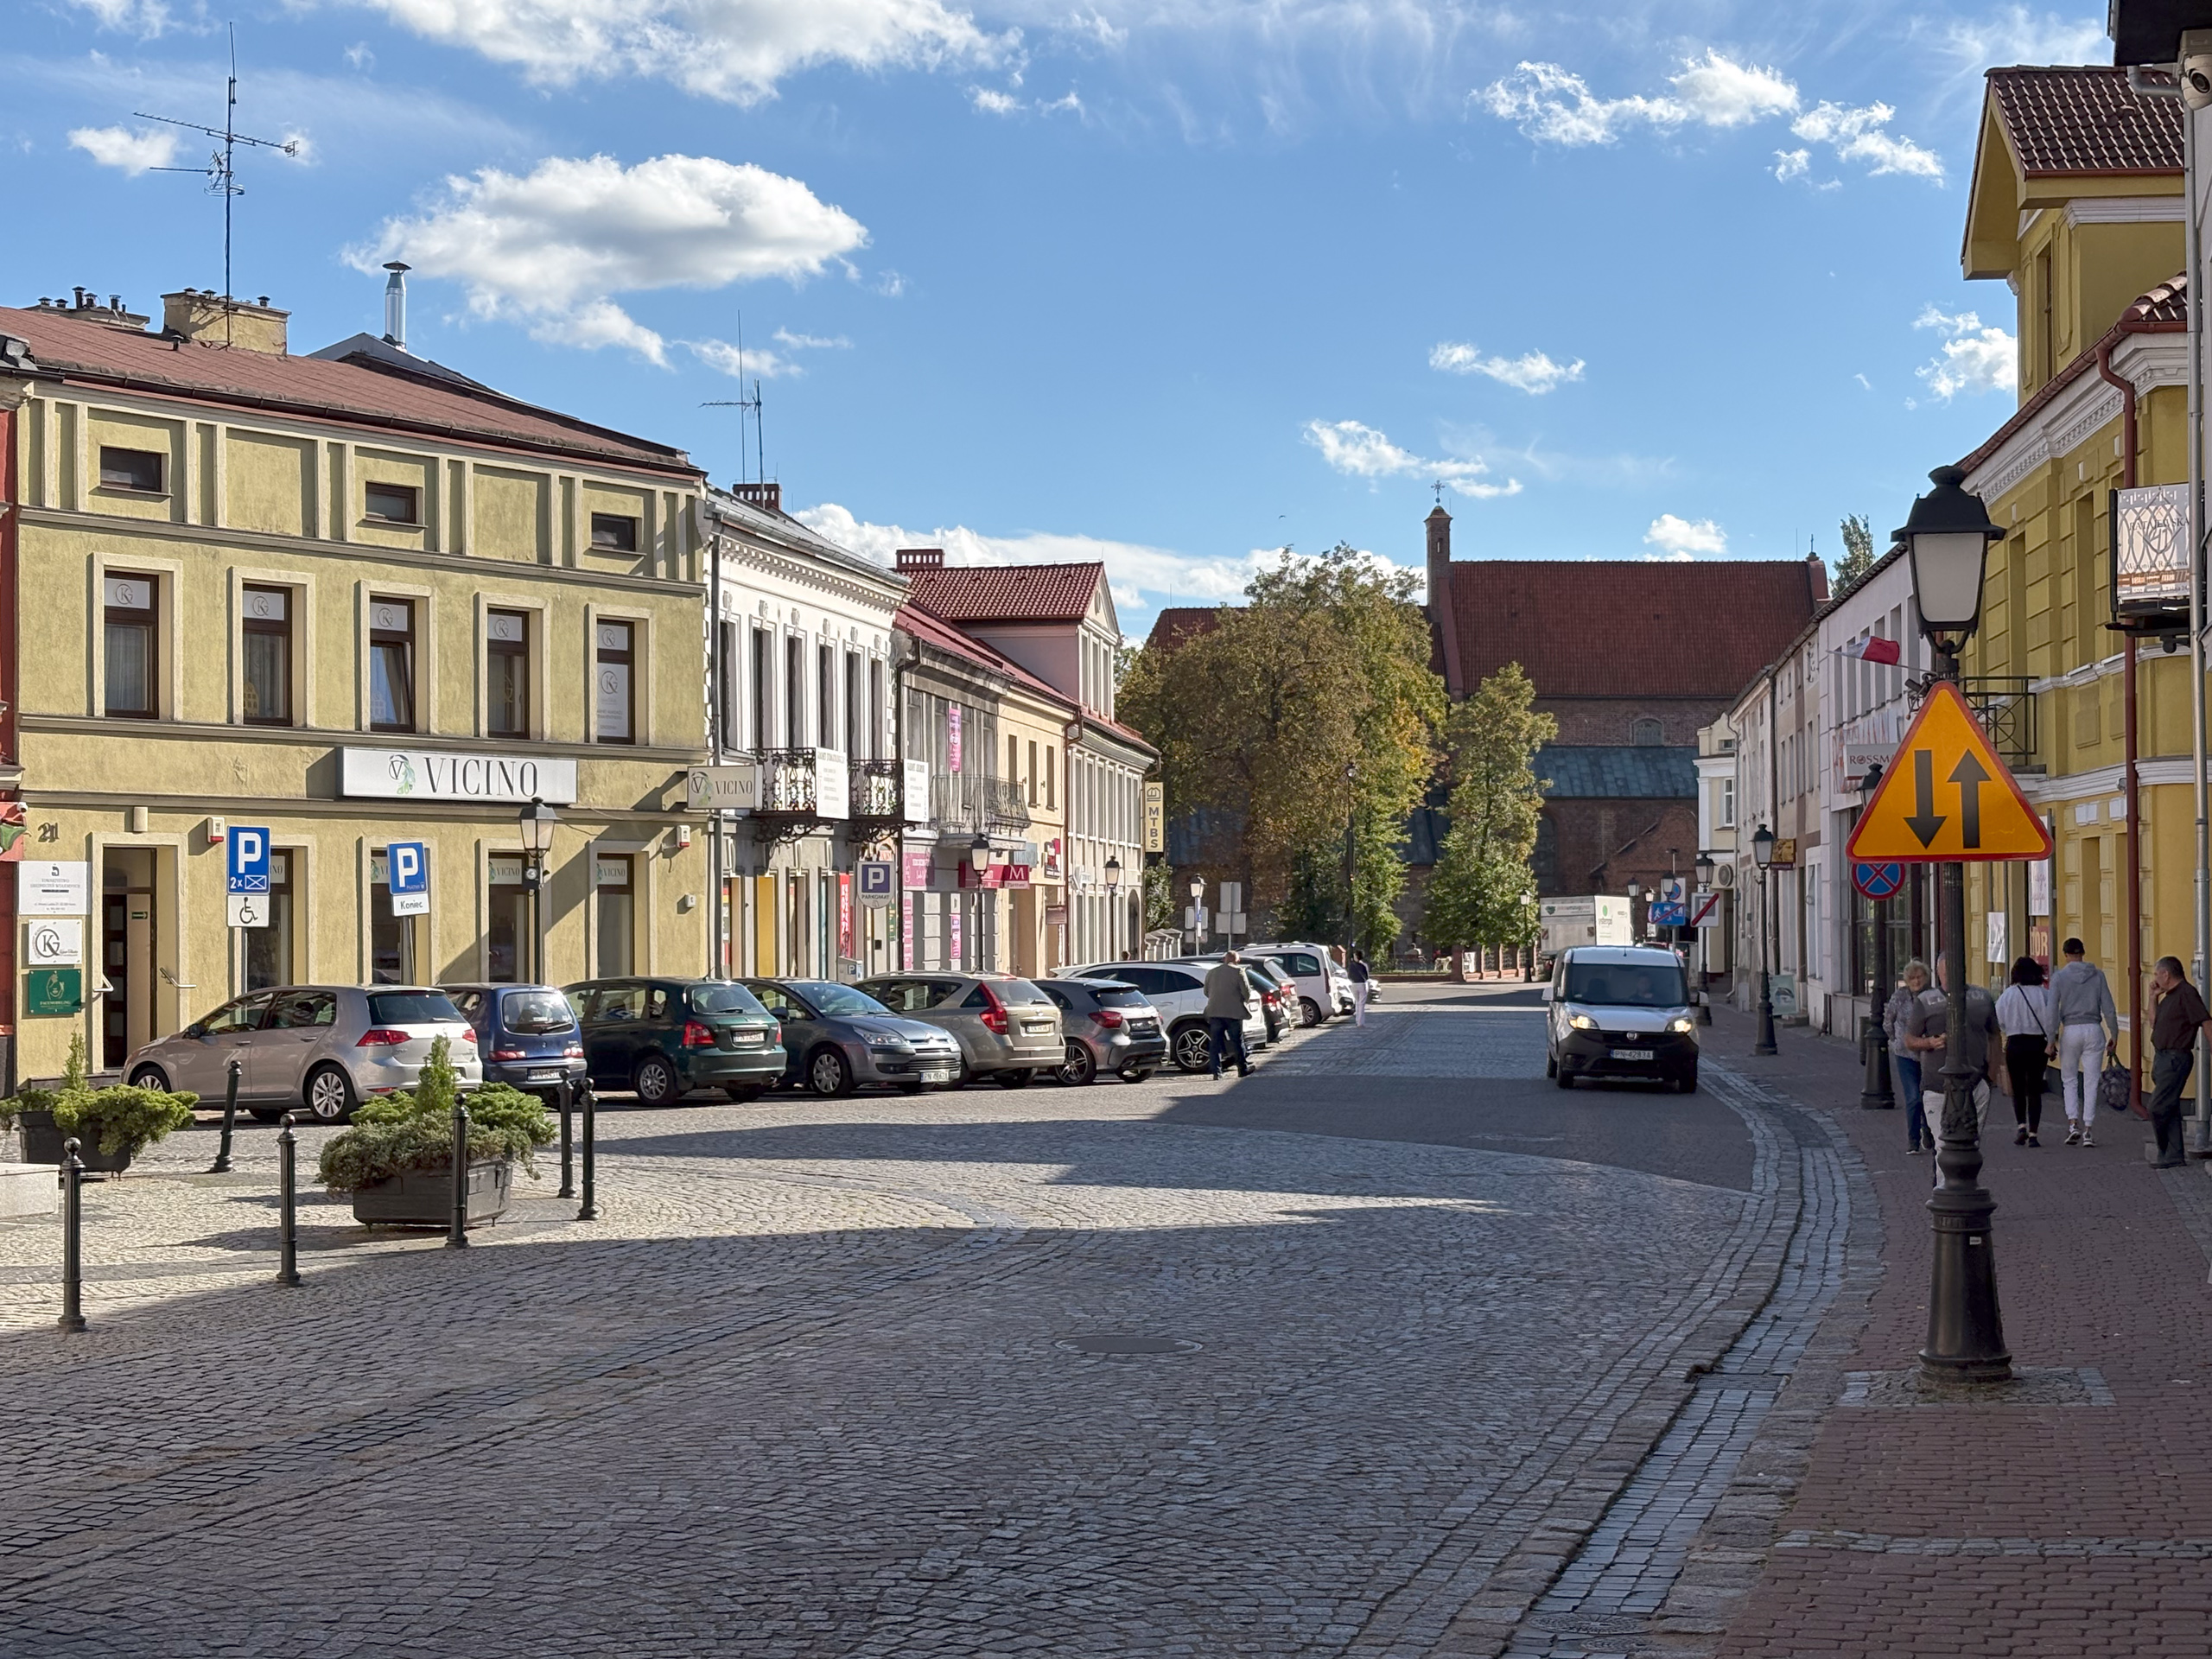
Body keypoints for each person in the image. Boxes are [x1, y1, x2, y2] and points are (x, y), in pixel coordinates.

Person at [1903, 954, 2005, 1186]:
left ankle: (1966, 1187)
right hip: (1936, 1086)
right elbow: (1909, 1039)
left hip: (1975, 1084)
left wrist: (1991, 1074)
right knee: (1944, 1146)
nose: (1951, 976)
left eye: (1955, 970)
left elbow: (1994, 1035)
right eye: (1946, 972)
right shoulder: (1926, 1002)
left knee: (1971, 1144)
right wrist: (1929, 1043)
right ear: (1938, 974)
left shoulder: (1981, 998)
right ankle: (1945, 1193)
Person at [2049, 937, 2120, 1147]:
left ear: (2065, 955)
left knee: (2069, 1079)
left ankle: (2073, 1124)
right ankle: (2088, 1129)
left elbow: (2052, 1010)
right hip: (2094, 1029)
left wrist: (2051, 1038)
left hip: (2070, 1030)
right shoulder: (2098, 975)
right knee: (2091, 1081)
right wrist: (2114, 1034)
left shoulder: (2059, 977)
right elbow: (2109, 1008)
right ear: (2083, 953)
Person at [2146, 955, 2212, 1167]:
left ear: (2166, 974)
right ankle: (2174, 1155)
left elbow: (2205, 1021)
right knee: (2170, 1106)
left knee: (2156, 1107)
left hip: (2176, 1057)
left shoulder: (2186, 993)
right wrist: (2152, 997)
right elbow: (2153, 1022)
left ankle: (2165, 1150)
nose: (2155, 979)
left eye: (2157, 974)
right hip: (2162, 1056)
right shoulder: (2169, 996)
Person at [1994, 956, 2056, 1147]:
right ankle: (2034, 1134)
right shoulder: (2044, 994)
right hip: (2038, 1044)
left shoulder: (2008, 994)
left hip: (2015, 1043)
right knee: (2035, 1089)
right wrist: (2051, 1042)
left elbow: (1999, 1019)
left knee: (2018, 1088)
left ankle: (2021, 1126)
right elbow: (2052, 1020)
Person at [1885, 960, 1931, 1154]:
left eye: (1919, 977)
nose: (1916, 981)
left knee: (1927, 1095)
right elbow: (1888, 1022)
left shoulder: (1931, 996)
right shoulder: (1900, 996)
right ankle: (1913, 1139)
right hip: (1905, 1054)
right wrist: (1896, 1041)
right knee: (1913, 1097)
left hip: (1928, 1053)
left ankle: (1928, 1132)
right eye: (1912, 978)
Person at [1203, 950, 1254, 1080]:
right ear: (1237, 960)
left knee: (1215, 1043)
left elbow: (1206, 992)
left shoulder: (1212, 972)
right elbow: (1247, 993)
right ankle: (1242, 1069)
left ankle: (1216, 1072)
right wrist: (1242, 1000)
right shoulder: (1239, 971)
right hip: (1234, 1013)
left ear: (1225, 959)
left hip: (1215, 1012)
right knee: (1237, 1041)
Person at [1348, 948, 1371, 1026]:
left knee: (1357, 1002)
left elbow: (1349, 976)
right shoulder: (1364, 965)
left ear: (1356, 956)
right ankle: (1361, 1022)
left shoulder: (1351, 965)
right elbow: (1367, 977)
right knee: (1362, 1004)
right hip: (1362, 984)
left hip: (1354, 984)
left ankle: (1357, 1020)